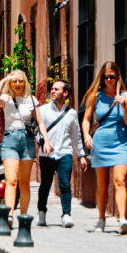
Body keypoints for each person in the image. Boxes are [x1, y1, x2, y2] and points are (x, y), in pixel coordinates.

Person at [0, 69, 51, 223]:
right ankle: (9, 216)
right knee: (11, 180)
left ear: (25, 83)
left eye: (20, 81)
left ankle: (23, 217)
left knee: (24, 182)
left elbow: (40, 122)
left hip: (27, 141)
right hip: (10, 140)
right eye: (14, 81)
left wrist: (47, 141)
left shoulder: (31, 100)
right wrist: (3, 81)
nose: (17, 84)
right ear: (10, 83)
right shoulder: (6, 98)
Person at [82, 60, 127, 234]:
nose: (109, 80)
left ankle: (122, 218)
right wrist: (86, 135)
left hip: (120, 142)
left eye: (112, 77)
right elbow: (86, 119)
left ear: (118, 76)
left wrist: (125, 105)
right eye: (106, 77)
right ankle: (101, 219)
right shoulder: (95, 96)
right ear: (102, 78)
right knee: (102, 184)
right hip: (101, 142)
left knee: (120, 180)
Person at [36, 79, 87, 228]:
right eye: (52, 89)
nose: (52, 91)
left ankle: (66, 214)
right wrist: (43, 142)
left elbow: (76, 136)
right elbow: (37, 130)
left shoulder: (71, 114)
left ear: (65, 93)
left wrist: (82, 155)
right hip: (46, 154)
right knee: (45, 184)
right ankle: (41, 212)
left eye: (56, 89)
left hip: (65, 152)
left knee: (65, 184)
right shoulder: (43, 110)